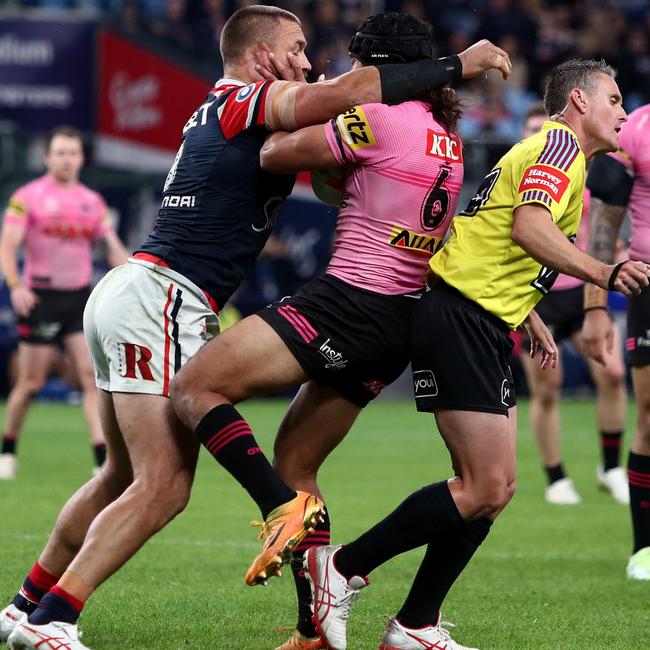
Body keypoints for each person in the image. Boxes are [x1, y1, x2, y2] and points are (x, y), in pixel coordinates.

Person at [0, 6, 512, 649]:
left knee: (121, 477)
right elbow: (343, 98)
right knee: (164, 483)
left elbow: (322, 152)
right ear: (262, 55)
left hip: (136, 288)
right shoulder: (249, 97)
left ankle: (26, 605)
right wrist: (455, 67)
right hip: (167, 295)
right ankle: (56, 619)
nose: (309, 61)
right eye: (297, 48)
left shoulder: (224, 108)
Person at [304, 59, 649, 650]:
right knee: (483, 487)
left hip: (483, 318)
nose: (623, 110)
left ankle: (414, 625)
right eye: (614, 98)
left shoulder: (557, 153)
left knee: (497, 488)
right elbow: (528, 228)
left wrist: (529, 311)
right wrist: (604, 270)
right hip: (460, 318)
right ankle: (340, 569)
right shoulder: (561, 148)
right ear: (579, 103)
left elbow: (485, 230)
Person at [170, 12, 478, 650]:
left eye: (355, 63)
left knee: (196, 387)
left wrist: (318, 115)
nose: (334, 70)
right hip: (396, 322)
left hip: (346, 301)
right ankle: (316, 632)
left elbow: (274, 151)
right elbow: (348, 190)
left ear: (380, 68)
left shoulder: (380, 116)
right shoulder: (446, 134)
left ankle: (279, 510)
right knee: (299, 461)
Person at [0, 126, 129, 481]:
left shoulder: (91, 201)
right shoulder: (27, 197)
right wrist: (15, 286)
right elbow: (8, 246)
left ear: (81, 158)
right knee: (30, 383)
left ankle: (101, 459)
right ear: (47, 158)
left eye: (73, 153)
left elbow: (111, 246)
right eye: (60, 153)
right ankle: (7, 451)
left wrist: (138, 275)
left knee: (91, 379)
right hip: (41, 298)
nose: (67, 159)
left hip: (79, 300)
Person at [515, 103, 628, 505]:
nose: (535, 134)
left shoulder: (581, 170)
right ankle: (556, 477)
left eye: (539, 127)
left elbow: (598, 229)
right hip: (536, 295)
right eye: (528, 129)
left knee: (614, 372)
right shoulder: (519, 174)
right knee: (548, 388)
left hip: (583, 292)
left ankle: (611, 467)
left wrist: (616, 250)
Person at [581, 102, 650, 579]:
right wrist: (596, 307)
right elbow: (604, 222)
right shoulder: (638, 126)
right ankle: (644, 547)